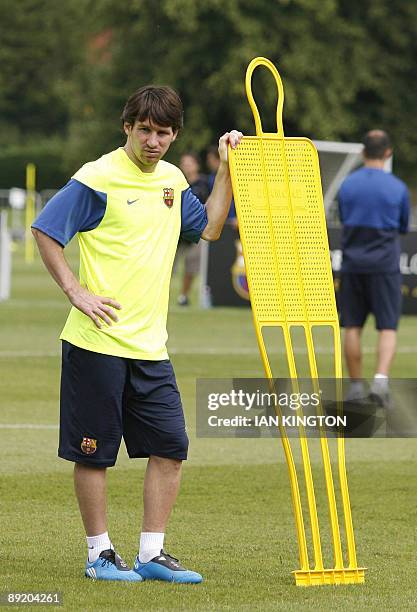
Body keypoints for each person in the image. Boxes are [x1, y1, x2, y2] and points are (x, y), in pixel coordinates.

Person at [31, 84, 243, 583]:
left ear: (174, 136)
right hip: (95, 343)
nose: (153, 140)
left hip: (151, 347)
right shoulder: (96, 177)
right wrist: (75, 291)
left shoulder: (171, 179)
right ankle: (100, 554)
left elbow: (209, 227)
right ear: (127, 127)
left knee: (172, 447)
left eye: (163, 132)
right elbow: (46, 230)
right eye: (144, 130)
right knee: (94, 454)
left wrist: (228, 167)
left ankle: (152, 554)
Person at [337, 129, 410, 404]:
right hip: (385, 267)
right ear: (388, 152)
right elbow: (403, 226)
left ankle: (355, 387)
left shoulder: (347, 185)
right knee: (388, 327)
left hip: (353, 265)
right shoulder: (398, 188)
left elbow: (344, 218)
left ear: (363, 152)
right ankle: (380, 383)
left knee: (352, 326)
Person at [176, 152, 210, 306]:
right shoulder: (175, 182)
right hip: (177, 232)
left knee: (191, 265)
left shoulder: (204, 183)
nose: (186, 166)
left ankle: (183, 296)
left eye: (189, 163)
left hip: (196, 232)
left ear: (196, 165)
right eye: (184, 163)